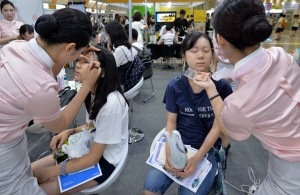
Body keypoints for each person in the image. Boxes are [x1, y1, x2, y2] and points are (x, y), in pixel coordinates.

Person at [194, 0, 300, 194]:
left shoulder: (239, 104)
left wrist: (211, 89)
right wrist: (228, 72)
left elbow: (229, 129)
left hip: (290, 172)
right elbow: (258, 67)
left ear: (219, 39)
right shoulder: (281, 55)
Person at [0, 8, 100, 195]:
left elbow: (47, 65)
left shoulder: (16, 46)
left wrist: (72, 52)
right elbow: (59, 124)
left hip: (10, 134)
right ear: (69, 47)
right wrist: (86, 85)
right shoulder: (41, 88)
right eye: (78, 52)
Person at [143, 32, 232, 195]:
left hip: (206, 151)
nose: (200, 55)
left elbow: (217, 129)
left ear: (212, 54)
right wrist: (169, 151)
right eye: (194, 50)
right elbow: (171, 123)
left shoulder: (221, 86)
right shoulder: (175, 85)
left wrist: (197, 158)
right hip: (178, 145)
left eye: (206, 50)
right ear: (183, 55)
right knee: (150, 191)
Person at [31, 46, 129, 194]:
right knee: (28, 170)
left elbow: (92, 159)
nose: (77, 64)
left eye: (86, 62)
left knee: (34, 190)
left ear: (101, 72)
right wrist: (70, 131)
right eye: (79, 60)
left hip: (103, 162)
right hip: (88, 145)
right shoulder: (94, 93)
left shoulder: (111, 104)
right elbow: (93, 126)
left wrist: (50, 172)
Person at [105, 20, 136, 86]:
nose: (108, 35)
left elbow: (111, 67)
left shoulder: (120, 49)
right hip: (123, 80)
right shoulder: (124, 45)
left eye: (108, 33)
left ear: (112, 34)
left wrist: (109, 52)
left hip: (120, 83)